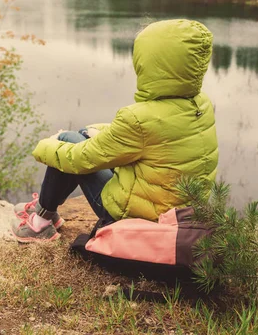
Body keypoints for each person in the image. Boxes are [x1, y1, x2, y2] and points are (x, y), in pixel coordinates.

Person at [11, 19, 219, 243]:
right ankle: (46, 210)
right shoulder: (201, 104)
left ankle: (41, 222)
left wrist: (47, 144)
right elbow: (156, 137)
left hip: (135, 217)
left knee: (69, 142)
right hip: (176, 214)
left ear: (150, 64)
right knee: (82, 134)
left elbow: (80, 159)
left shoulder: (139, 118)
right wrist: (97, 132)